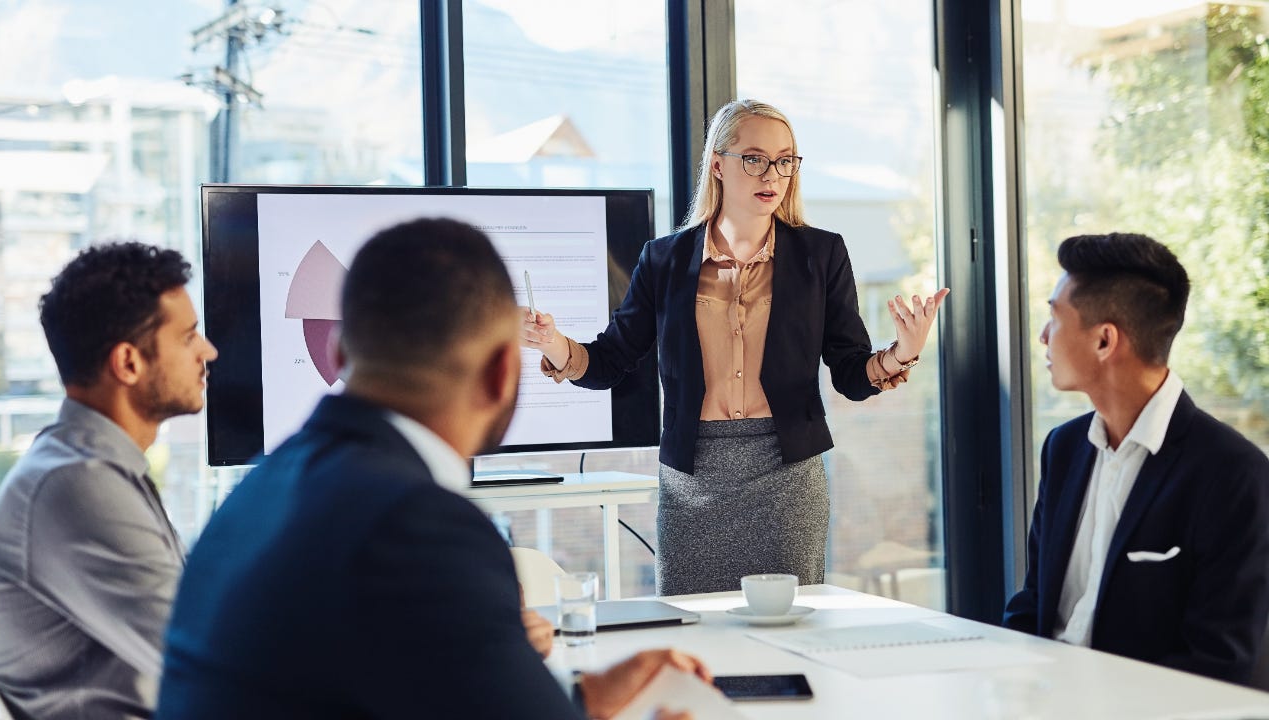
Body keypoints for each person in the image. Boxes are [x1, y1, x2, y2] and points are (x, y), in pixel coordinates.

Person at [156, 218, 708, 719]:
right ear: (501, 375)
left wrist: (583, 701)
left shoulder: (258, 494)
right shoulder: (418, 525)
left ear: (340, 355)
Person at [523, 99, 949, 595]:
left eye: (785, 159)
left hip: (787, 477)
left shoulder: (821, 254)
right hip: (692, 481)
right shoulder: (663, 259)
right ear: (718, 165)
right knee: (694, 632)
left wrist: (903, 351)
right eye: (754, 157)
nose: (773, 173)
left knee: (786, 633)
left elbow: (851, 374)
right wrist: (553, 341)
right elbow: (611, 361)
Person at [1002, 233, 1269, 684]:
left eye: (1054, 316)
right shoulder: (1063, 449)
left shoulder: (1234, 474)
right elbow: (1033, 606)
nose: (1044, 335)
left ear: (1105, 340)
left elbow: (1222, 661)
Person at [0, 242, 217, 718]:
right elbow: (212, 659)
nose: (208, 351)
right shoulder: (74, 484)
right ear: (129, 363)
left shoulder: (93, 468)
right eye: (188, 337)